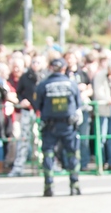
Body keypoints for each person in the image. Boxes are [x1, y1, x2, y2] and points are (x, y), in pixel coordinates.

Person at [33, 57, 83, 197]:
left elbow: (37, 105)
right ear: (64, 69)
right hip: (68, 125)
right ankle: (75, 185)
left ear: (50, 68)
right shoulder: (72, 84)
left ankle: (49, 186)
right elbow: (78, 103)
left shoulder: (43, 85)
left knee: (48, 154)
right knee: (72, 154)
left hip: (50, 126)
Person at [11, 55, 44, 177]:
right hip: (27, 111)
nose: (35, 64)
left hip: (40, 112)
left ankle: (41, 164)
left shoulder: (45, 76)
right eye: (33, 62)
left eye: (38, 62)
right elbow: (18, 92)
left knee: (39, 139)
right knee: (24, 139)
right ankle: (19, 166)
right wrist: (22, 100)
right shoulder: (25, 77)